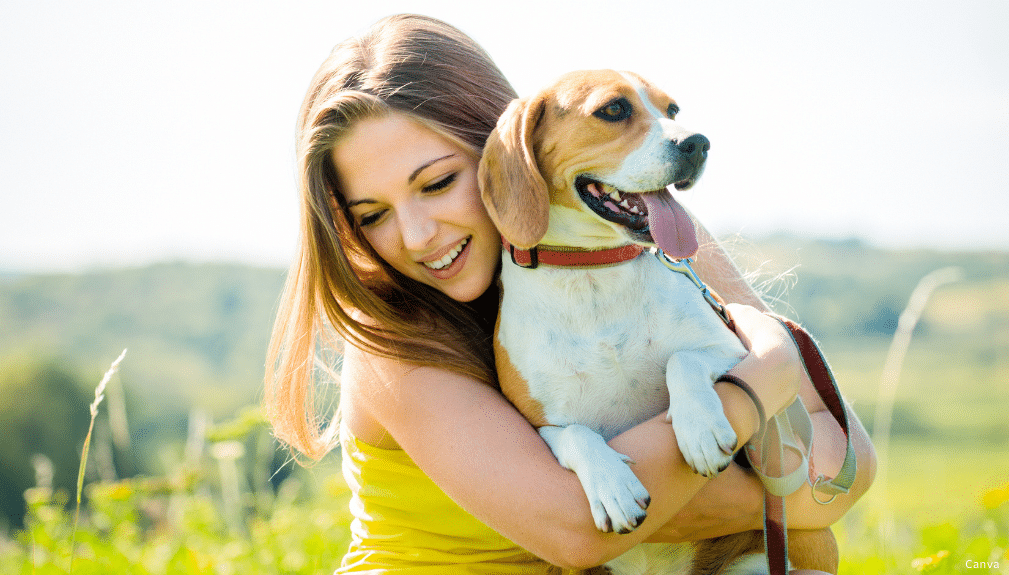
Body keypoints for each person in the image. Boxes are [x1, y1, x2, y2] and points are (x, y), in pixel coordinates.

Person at [264, 13, 875, 574]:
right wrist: (756, 383)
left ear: (510, 148)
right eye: (372, 216)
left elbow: (845, 468)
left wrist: (792, 485)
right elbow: (581, 532)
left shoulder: (642, 228)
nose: (418, 236)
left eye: (439, 183)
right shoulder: (393, 344)